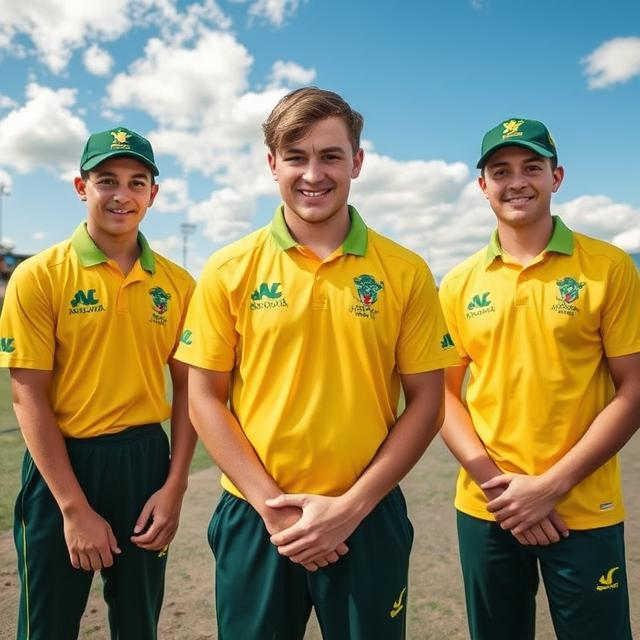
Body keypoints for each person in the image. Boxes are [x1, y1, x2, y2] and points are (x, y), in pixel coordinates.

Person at [174, 87, 460, 639]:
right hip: (256, 519)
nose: (313, 173)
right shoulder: (229, 267)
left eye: (330, 155)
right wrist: (272, 509)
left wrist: (351, 508)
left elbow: (427, 402)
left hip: (367, 516)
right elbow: (203, 396)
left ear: (357, 161)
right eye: (296, 156)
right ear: (271, 163)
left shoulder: (404, 270)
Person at [438, 117, 640, 640]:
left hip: (582, 507)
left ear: (557, 176)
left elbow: (633, 389)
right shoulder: (458, 284)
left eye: (532, 166)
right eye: (500, 170)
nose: (517, 181)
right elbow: (442, 396)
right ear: (483, 186)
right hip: (489, 508)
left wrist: (550, 486)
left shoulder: (609, 267)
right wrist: (501, 489)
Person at [0, 126, 197, 640]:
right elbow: (28, 394)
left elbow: (191, 392)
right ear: (80, 186)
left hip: (143, 464)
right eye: (106, 179)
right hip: (62, 466)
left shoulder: (178, 285)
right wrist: (73, 508)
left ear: (153, 194)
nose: (121, 195)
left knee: (138, 625)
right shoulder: (39, 275)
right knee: (46, 626)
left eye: (137, 182)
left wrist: (174, 488)